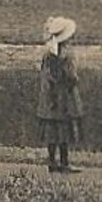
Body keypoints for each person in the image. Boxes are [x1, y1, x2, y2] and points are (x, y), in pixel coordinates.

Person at [36, 16, 83, 173]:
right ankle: (64, 162)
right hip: (63, 97)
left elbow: (44, 74)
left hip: (49, 96)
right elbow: (71, 76)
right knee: (63, 129)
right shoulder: (68, 55)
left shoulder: (47, 54)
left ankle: (52, 161)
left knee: (51, 129)